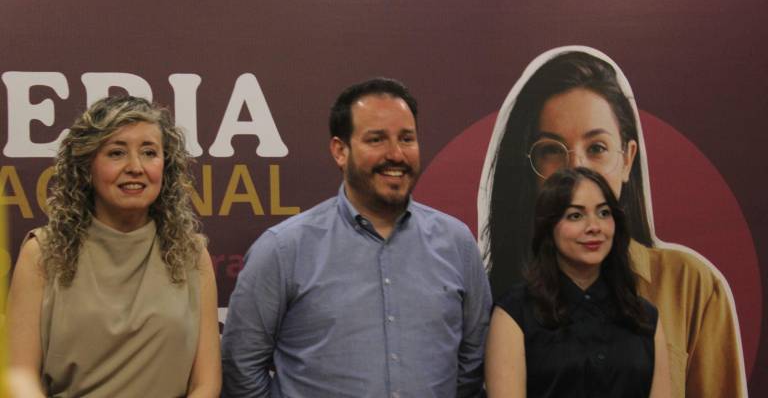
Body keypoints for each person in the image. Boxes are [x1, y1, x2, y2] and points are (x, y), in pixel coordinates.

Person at [477, 46, 746, 397]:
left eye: (597, 148)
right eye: (552, 150)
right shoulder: (500, 302)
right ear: (529, 170)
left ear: (627, 159)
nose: (577, 170)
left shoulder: (689, 288)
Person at [221, 77, 492, 398]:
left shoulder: (457, 244)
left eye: (407, 139)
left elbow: (472, 363)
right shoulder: (283, 249)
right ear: (340, 150)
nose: (396, 154)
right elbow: (241, 367)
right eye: (376, 140)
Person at [7, 96, 221, 397]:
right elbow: (19, 375)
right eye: (117, 153)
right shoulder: (43, 251)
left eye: (149, 152)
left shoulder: (191, 253)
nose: (135, 167)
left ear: (166, 166)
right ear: (87, 166)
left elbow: (206, 384)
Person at [485, 167, 671, 398]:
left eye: (604, 213)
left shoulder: (644, 317)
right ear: (549, 227)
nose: (594, 227)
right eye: (576, 215)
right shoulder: (515, 312)